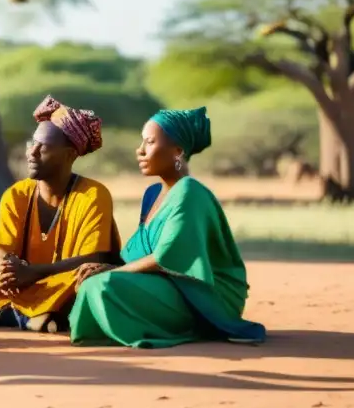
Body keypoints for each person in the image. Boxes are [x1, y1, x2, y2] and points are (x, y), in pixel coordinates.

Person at [69, 107, 267, 348]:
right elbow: (139, 254)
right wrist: (106, 266)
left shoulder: (189, 191)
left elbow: (168, 257)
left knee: (104, 285)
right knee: (90, 282)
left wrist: (111, 272)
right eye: (141, 142)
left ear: (178, 151)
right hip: (165, 286)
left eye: (150, 142)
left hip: (202, 296)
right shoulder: (152, 194)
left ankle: (189, 326)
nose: (140, 150)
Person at [0, 95, 120, 333]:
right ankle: (32, 317)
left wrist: (33, 273)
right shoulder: (15, 194)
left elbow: (94, 260)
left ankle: (1, 314)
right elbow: (2, 254)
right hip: (23, 284)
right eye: (32, 144)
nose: (32, 152)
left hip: (58, 281)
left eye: (44, 147)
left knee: (85, 279)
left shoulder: (93, 194)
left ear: (69, 155)